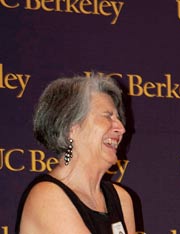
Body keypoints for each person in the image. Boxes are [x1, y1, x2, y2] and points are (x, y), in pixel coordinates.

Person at [15, 73, 136, 234]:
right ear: (72, 128)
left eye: (118, 118)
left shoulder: (122, 200)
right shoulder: (47, 197)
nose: (121, 128)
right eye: (108, 116)